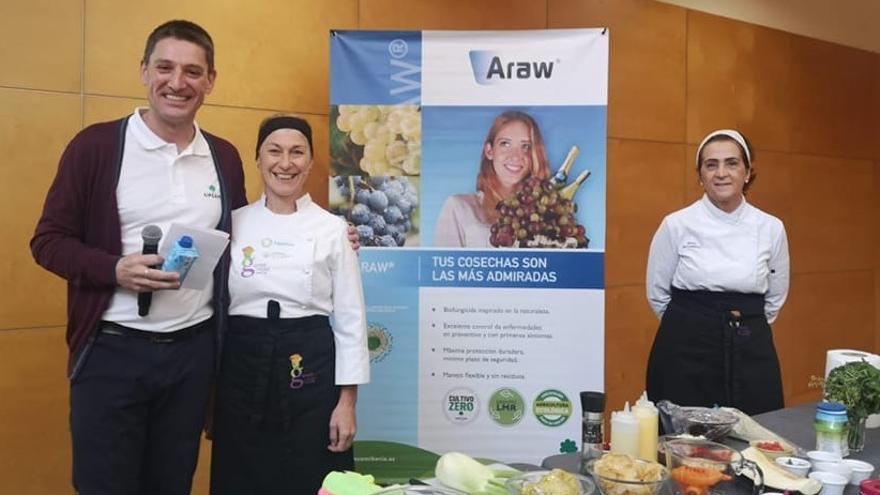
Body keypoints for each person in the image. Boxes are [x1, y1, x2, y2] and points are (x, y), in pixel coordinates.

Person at [30, 20, 247, 494]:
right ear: (144, 71)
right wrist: (113, 269)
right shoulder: (96, 147)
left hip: (192, 357)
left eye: (193, 71)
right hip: (111, 353)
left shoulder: (225, 158)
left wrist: (338, 234)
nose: (177, 82)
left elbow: (243, 238)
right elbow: (48, 241)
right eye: (165, 67)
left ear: (210, 81)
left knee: (172, 485)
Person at [210, 115, 369, 495]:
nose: (286, 163)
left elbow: (350, 319)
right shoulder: (232, 224)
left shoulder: (333, 229)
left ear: (311, 162)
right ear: (258, 159)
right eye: (274, 151)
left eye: (297, 152)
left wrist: (346, 403)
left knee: (310, 477)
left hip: (311, 375)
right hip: (241, 374)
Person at [645, 129, 790, 416]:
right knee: (683, 440)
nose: (721, 173)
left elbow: (775, 296)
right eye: (711, 165)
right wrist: (695, 325)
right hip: (685, 350)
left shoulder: (771, 227)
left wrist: (739, 328)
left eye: (731, 163)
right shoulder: (676, 225)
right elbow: (657, 292)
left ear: (747, 172)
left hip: (750, 347)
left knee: (757, 434)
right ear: (700, 175)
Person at [434, 110, 551, 247]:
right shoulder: (459, 207)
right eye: (505, 144)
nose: (515, 156)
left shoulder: (546, 214)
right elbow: (444, 266)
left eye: (525, 146)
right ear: (489, 151)